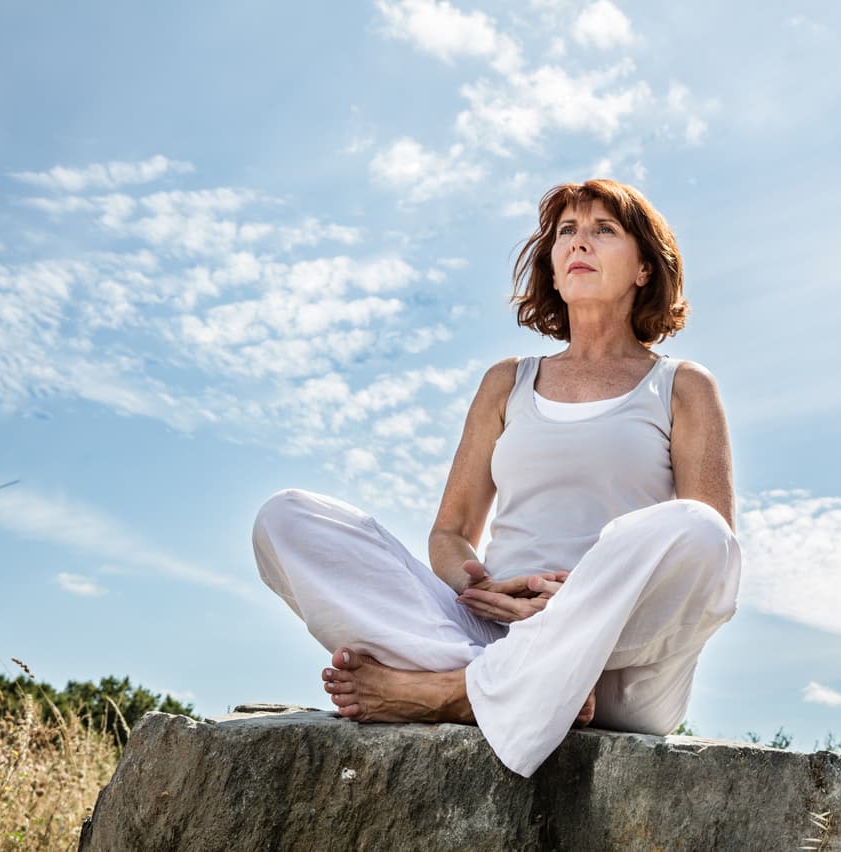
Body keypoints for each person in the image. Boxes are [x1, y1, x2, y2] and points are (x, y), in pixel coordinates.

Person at [252, 179, 741, 778]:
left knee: (700, 531)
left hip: (619, 670)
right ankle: (524, 685)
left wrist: (573, 607)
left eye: (602, 230)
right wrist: (487, 586)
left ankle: (448, 694)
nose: (578, 244)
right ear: (554, 272)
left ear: (644, 268)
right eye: (567, 233)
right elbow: (450, 533)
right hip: (491, 634)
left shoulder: (683, 385)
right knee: (287, 517)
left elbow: (710, 550)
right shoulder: (506, 382)